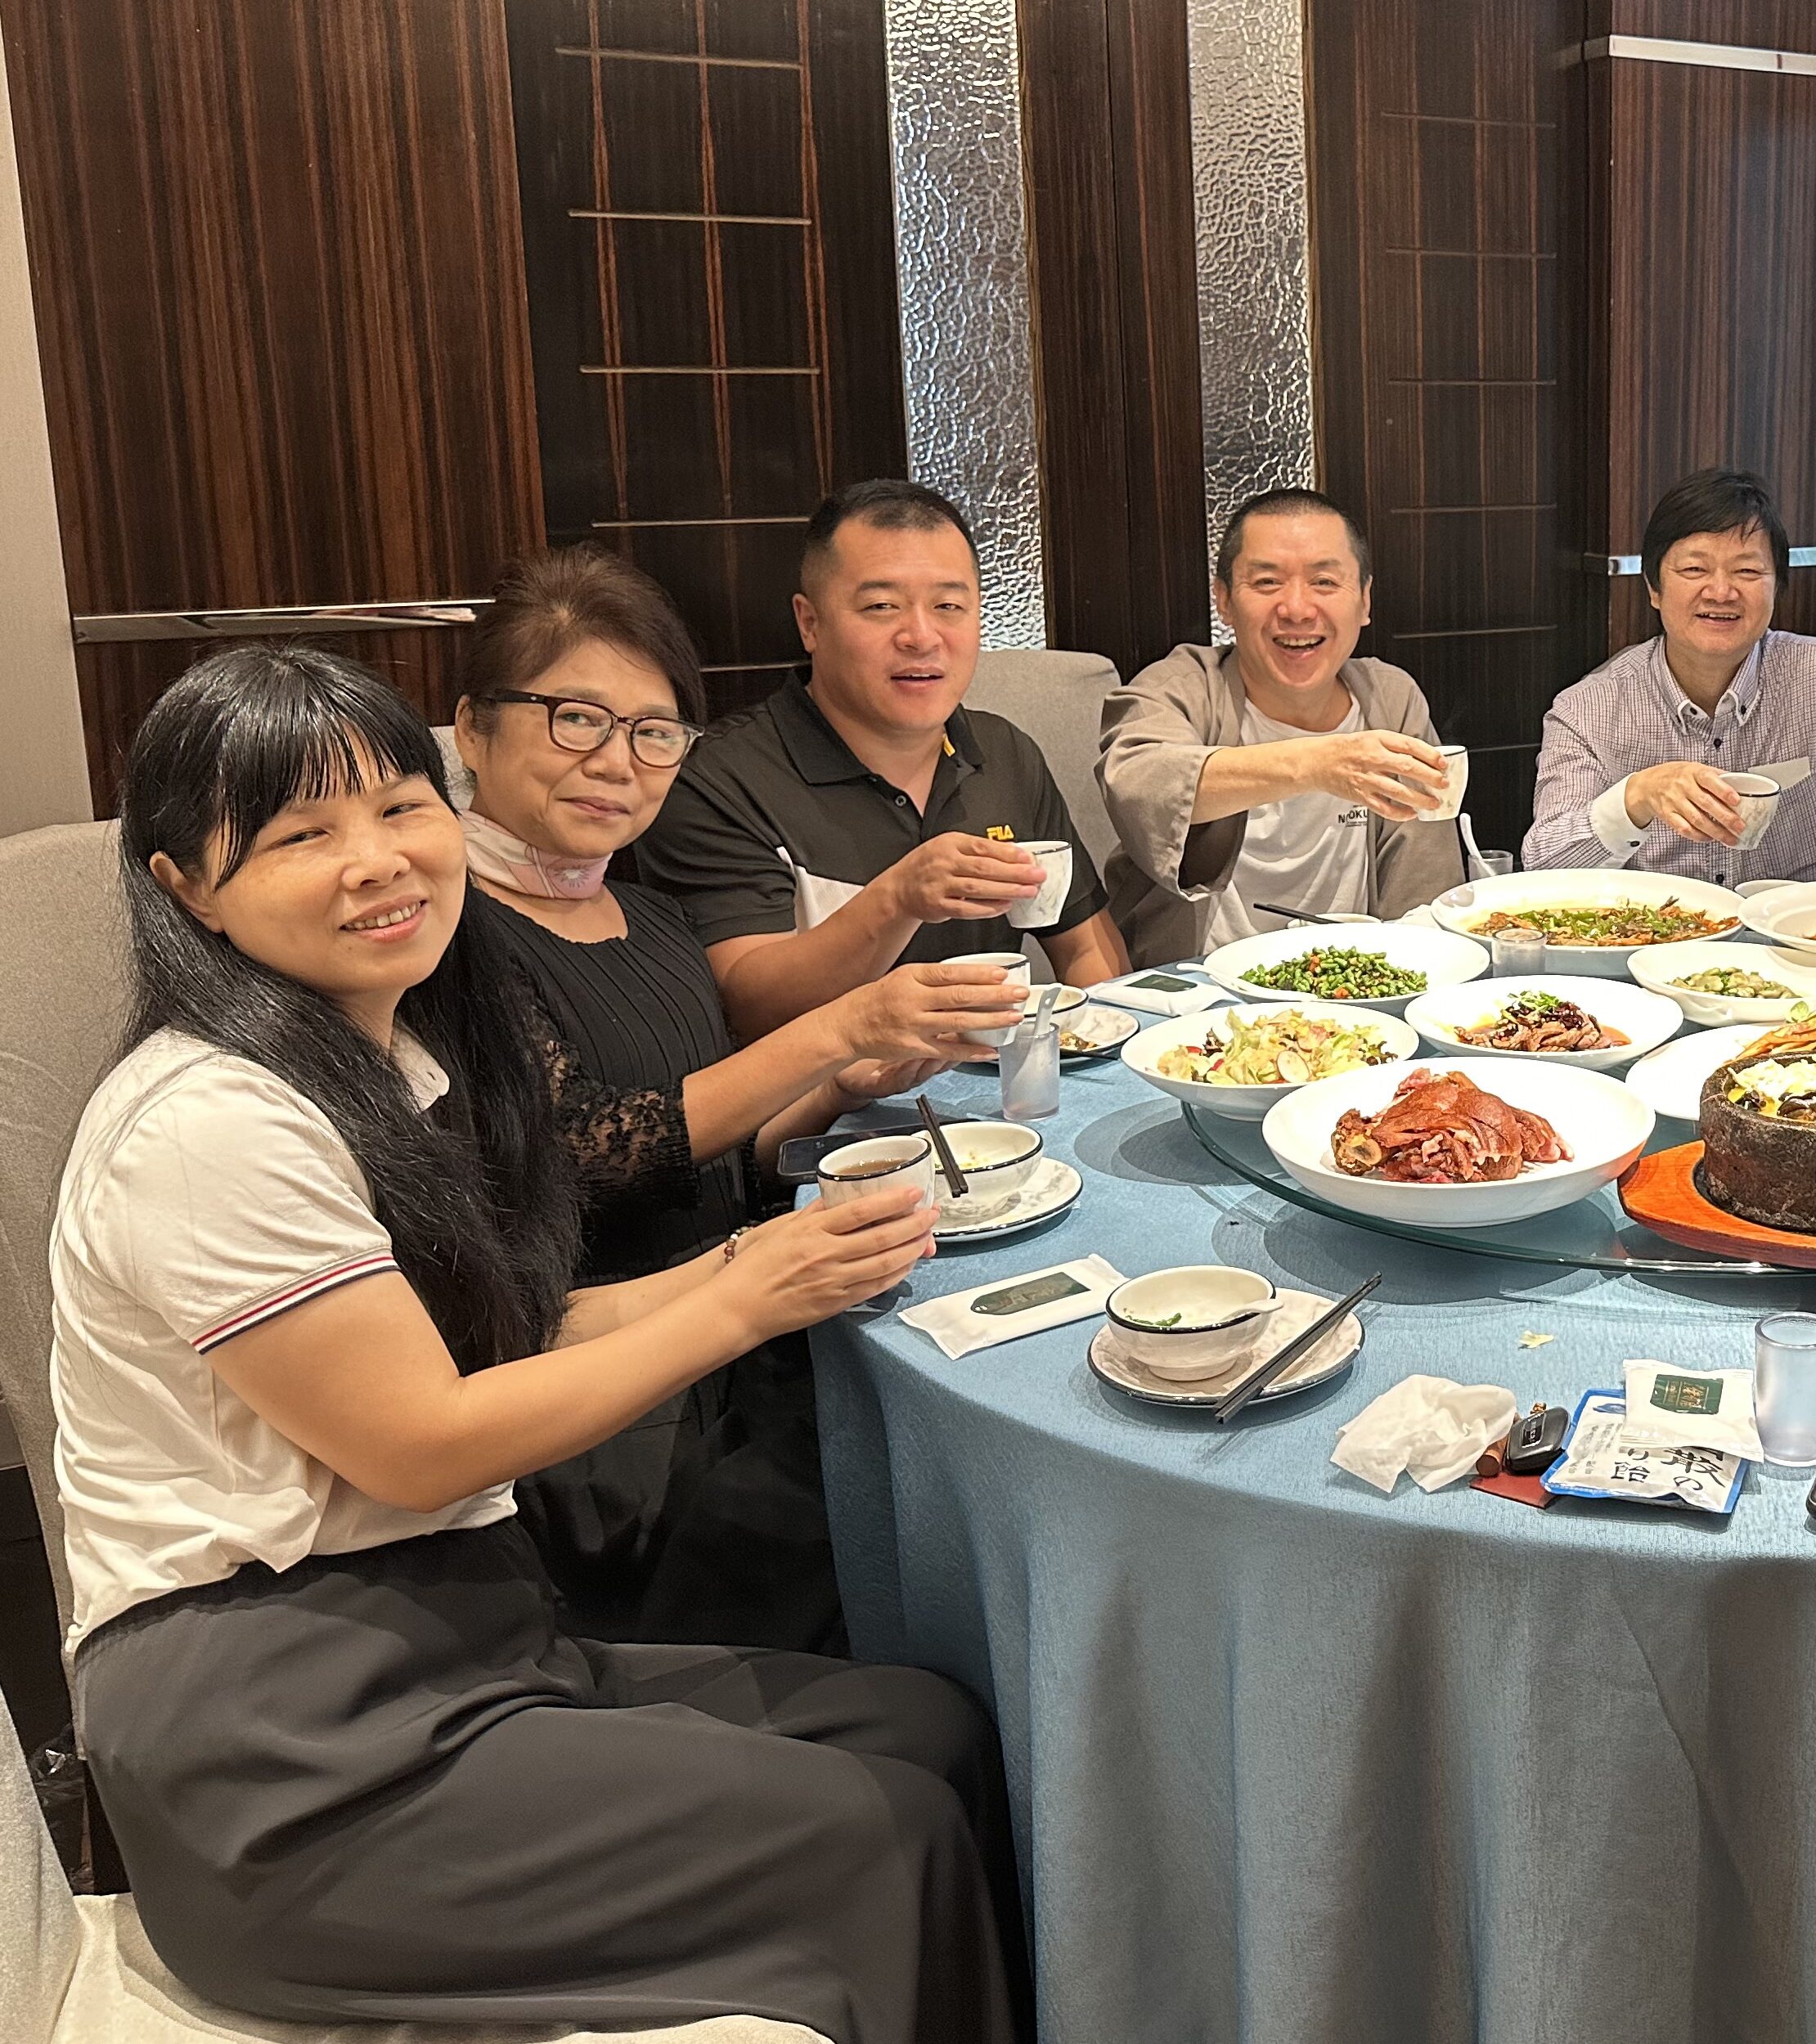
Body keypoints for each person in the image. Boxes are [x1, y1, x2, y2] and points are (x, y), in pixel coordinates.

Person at [54, 647, 1022, 2042]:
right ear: (187, 887)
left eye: (400, 806)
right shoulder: (209, 1122)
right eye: (302, 834)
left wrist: (752, 1262)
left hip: (452, 1638)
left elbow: (505, 1332)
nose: (378, 861)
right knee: (884, 1826)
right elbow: (418, 1441)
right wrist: (738, 1304)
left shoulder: (382, 1065)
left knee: (935, 1731)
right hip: (285, 1757)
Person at [454, 546, 1027, 1648]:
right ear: (475, 728)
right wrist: (842, 1026)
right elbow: (585, 1152)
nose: (616, 762)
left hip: (754, 1332)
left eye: (653, 731)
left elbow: (724, 1155)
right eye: (576, 719)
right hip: (616, 1413)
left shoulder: (648, 915)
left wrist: (843, 1089)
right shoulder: (447, 931)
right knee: (957, 1498)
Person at [634, 478, 1129, 1039]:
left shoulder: (1005, 753)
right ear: (810, 623)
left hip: (997, 1082)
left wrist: (1107, 1047)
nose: (921, 636)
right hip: (828, 1093)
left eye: (949, 606)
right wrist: (900, 898)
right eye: (881, 606)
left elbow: (1085, 948)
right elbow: (745, 1007)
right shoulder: (719, 782)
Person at [1098, 487, 1468, 964]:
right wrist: (1318, 764)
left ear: (1364, 600)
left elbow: (1422, 893)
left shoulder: (1390, 699)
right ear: (1224, 600)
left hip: (1355, 987)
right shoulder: (1180, 689)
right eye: (1267, 582)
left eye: (1324, 582)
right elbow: (1140, 782)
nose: (1296, 609)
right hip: (1197, 990)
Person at [1521, 467, 1816, 883]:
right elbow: (1544, 867)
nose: (1721, 592)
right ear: (1654, 588)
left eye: (1747, 572)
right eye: (1695, 570)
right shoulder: (1588, 709)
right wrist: (1637, 797)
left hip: (1787, 925)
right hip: (1652, 925)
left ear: (1777, 587)